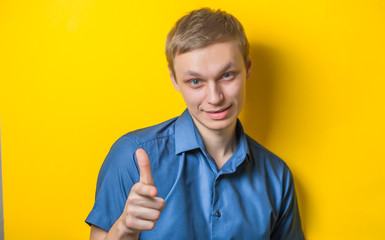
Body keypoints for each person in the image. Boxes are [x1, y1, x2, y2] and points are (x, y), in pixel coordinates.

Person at [86, 8, 304, 240]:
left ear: (247, 68)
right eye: (196, 81)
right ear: (175, 80)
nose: (214, 97)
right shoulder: (131, 154)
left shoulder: (277, 175)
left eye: (227, 75)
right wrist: (125, 229)